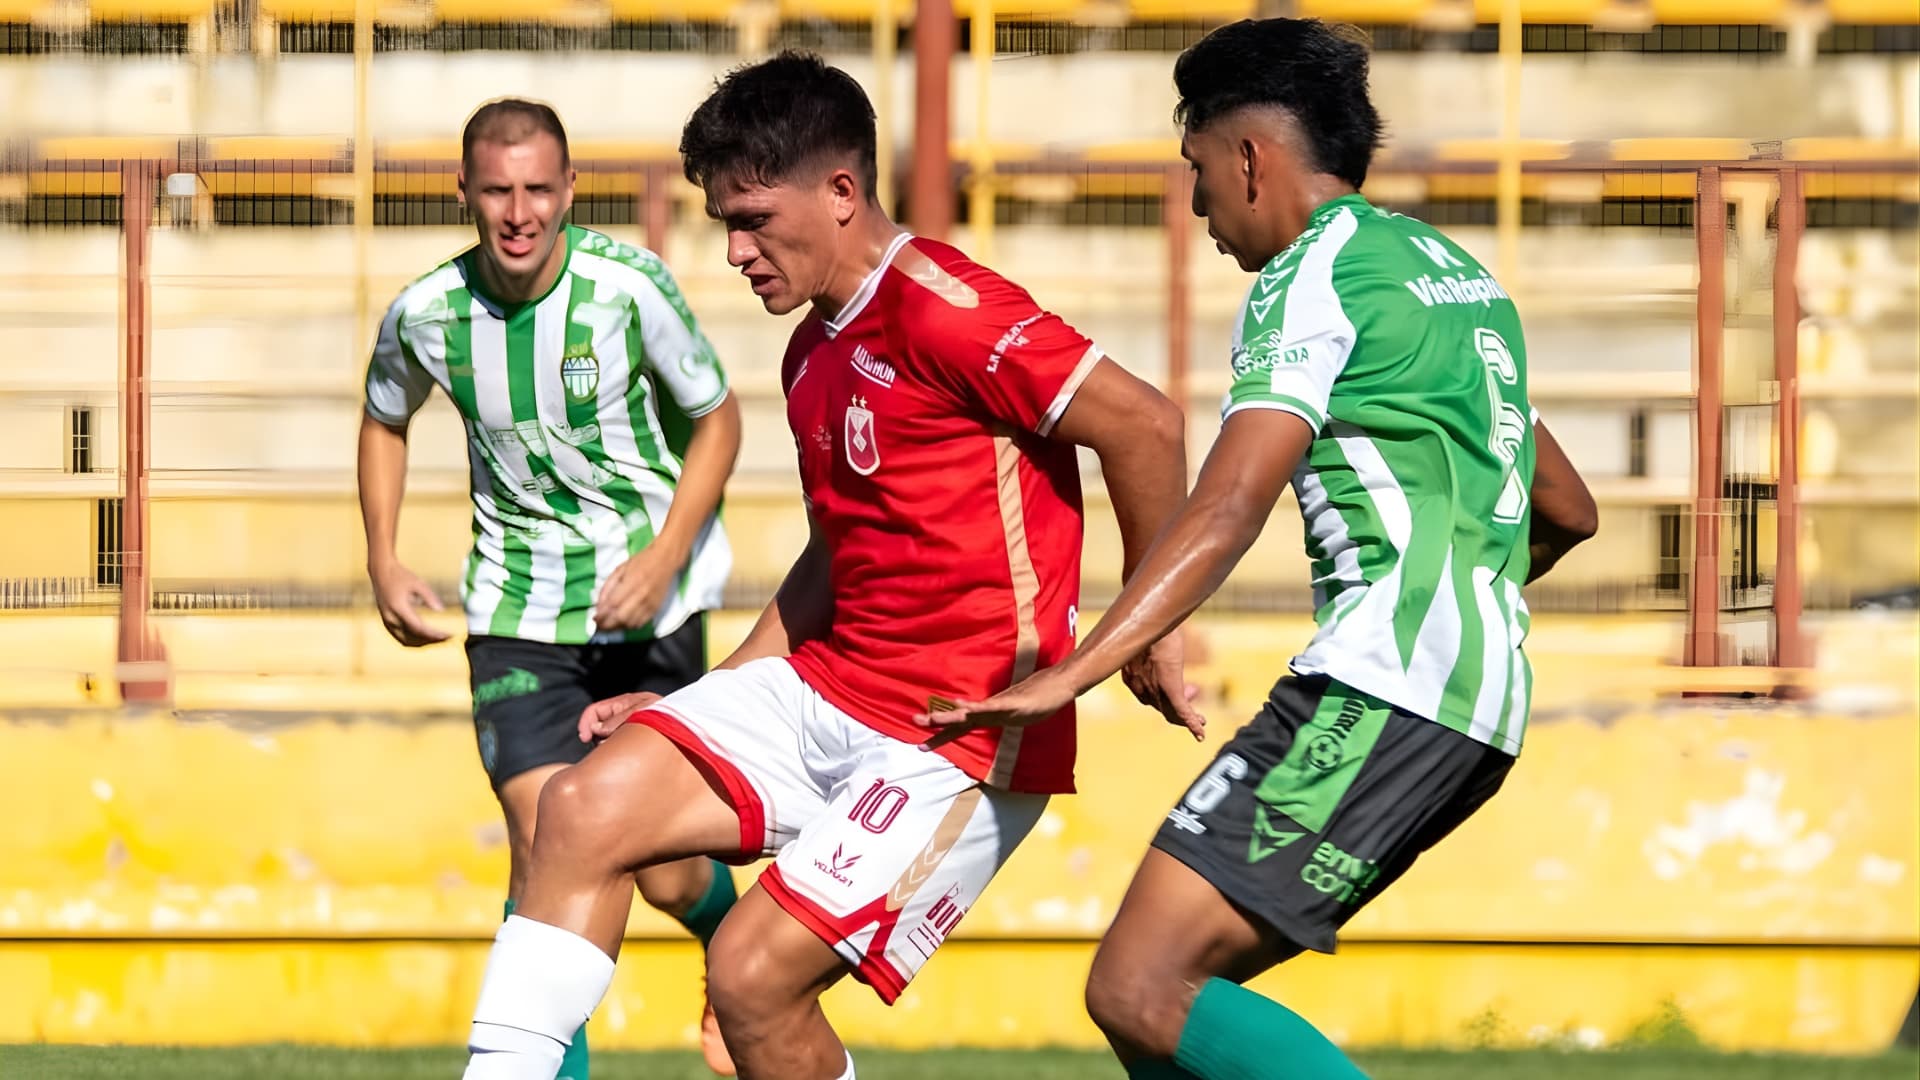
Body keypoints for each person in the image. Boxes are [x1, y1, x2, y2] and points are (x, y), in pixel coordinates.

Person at [458, 52, 1191, 1080]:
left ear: (842, 193)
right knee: (579, 811)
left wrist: (1149, 635)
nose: (734, 251)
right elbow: (836, 558)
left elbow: (1148, 428)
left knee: (752, 981)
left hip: (960, 738)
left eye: (752, 218)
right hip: (829, 693)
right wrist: (711, 698)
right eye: (723, 223)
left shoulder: (946, 307)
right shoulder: (812, 351)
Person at [919, 19, 1600, 1080]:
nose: (1196, 206)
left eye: (1197, 171)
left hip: (1383, 686)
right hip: (1477, 697)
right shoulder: (1449, 272)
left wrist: (1073, 672)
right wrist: (1462, 587)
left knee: (1139, 986)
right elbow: (1565, 507)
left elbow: (1231, 499)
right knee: (1167, 1009)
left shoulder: (1306, 281)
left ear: (1248, 157)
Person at [356, 98, 743, 1079]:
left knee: (661, 872)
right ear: (466, 194)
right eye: (497, 190)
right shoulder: (427, 313)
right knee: (544, 845)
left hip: (652, 607)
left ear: (569, 191)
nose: (519, 212)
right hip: (516, 611)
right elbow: (383, 416)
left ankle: (728, 948)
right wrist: (384, 556)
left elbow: (719, 418)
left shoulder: (627, 290)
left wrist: (662, 557)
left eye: (537, 188)